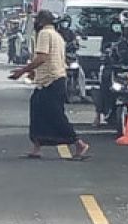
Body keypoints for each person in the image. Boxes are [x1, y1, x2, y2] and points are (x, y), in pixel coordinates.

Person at [9, 9, 89, 160]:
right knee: (37, 111)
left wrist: (22, 70)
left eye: (36, 20)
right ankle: (37, 146)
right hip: (52, 78)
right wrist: (33, 72)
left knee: (55, 115)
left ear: (41, 21)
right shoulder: (57, 35)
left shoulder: (45, 34)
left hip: (51, 80)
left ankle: (78, 143)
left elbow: (42, 57)